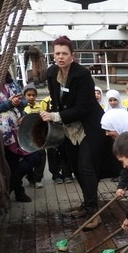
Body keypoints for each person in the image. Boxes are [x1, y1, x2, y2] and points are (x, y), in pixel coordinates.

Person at [40, 36, 108, 230]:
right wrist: (52, 115)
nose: (60, 57)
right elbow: (56, 100)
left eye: (64, 54)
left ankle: (94, 213)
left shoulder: (82, 74)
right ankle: (86, 205)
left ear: (72, 56)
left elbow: (85, 107)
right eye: (57, 53)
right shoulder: (52, 73)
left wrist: (55, 116)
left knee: (86, 168)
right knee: (75, 168)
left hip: (89, 126)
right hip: (68, 126)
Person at [0, 66, 40, 203]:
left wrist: (20, 102)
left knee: (34, 156)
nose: (0, 69)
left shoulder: (11, 83)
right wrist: (9, 103)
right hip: (3, 131)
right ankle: (19, 191)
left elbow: (24, 100)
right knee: (12, 161)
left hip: (19, 126)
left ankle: (10, 185)